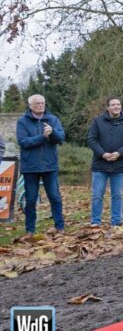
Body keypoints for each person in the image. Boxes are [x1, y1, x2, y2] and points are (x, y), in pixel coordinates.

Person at [16, 95, 66, 236]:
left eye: (42, 103)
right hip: (30, 167)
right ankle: (30, 230)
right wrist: (43, 137)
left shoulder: (53, 119)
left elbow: (61, 138)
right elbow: (24, 142)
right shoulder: (22, 121)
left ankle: (60, 227)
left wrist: (53, 132)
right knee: (31, 200)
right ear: (30, 106)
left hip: (50, 166)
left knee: (55, 197)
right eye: (37, 103)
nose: (40, 105)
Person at [87, 97, 123, 227]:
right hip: (100, 164)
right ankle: (95, 222)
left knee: (117, 195)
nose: (116, 107)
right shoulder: (98, 121)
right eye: (113, 105)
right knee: (97, 195)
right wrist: (103, 154)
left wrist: (119, 153)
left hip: (118, 164)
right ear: (108, 107)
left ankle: (116, 222)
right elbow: (91, 139)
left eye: (118, 104)